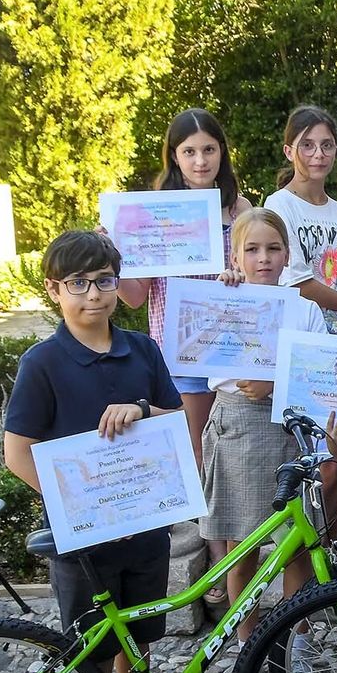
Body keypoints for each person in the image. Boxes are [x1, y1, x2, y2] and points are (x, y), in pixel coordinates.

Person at [3, 229, 185, 673]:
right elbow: (18, 451)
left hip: (146, 526)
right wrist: (72, 506)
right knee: (93, 652)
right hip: (84, 540)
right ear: (56, 290)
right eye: (78, 284)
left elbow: (174, 420)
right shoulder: (43, 363)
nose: (94, 296)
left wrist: (142, 409)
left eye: (105, 281)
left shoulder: (142, 350)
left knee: (138, 637)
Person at [199, 208, 337, 638]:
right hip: (240, 427)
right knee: (242, 544)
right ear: (235, 258)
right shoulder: (223, 300)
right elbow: (203, 342)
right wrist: (225, 291)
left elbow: (318, 369)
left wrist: (277, 383)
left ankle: (299, 640)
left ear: (287, 254)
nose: (263, 258)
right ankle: (246, 639)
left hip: (293, 427)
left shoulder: (304, 309)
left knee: (298, 542)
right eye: (251, 250)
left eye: (273, 249)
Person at [117, 108, 253, 467]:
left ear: (222, 151)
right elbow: (134, 296)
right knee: (197, 449)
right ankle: (204, 525)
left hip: (232, 344)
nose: (200, 160)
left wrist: (241, 277)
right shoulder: (153, 213)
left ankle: (237, 517)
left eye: (208, 149)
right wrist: (112, 259)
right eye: (189, 151)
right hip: (181, 347)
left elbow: (258, 275)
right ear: (174, 156)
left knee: (236, 443)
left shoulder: (240, 208)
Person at [266, 105, 337, 335]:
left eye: (327, 145)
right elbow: (297, 284)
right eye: (307, 145)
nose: (318, 154)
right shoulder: (279, 205)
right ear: (288, 151)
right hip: (304, 336)